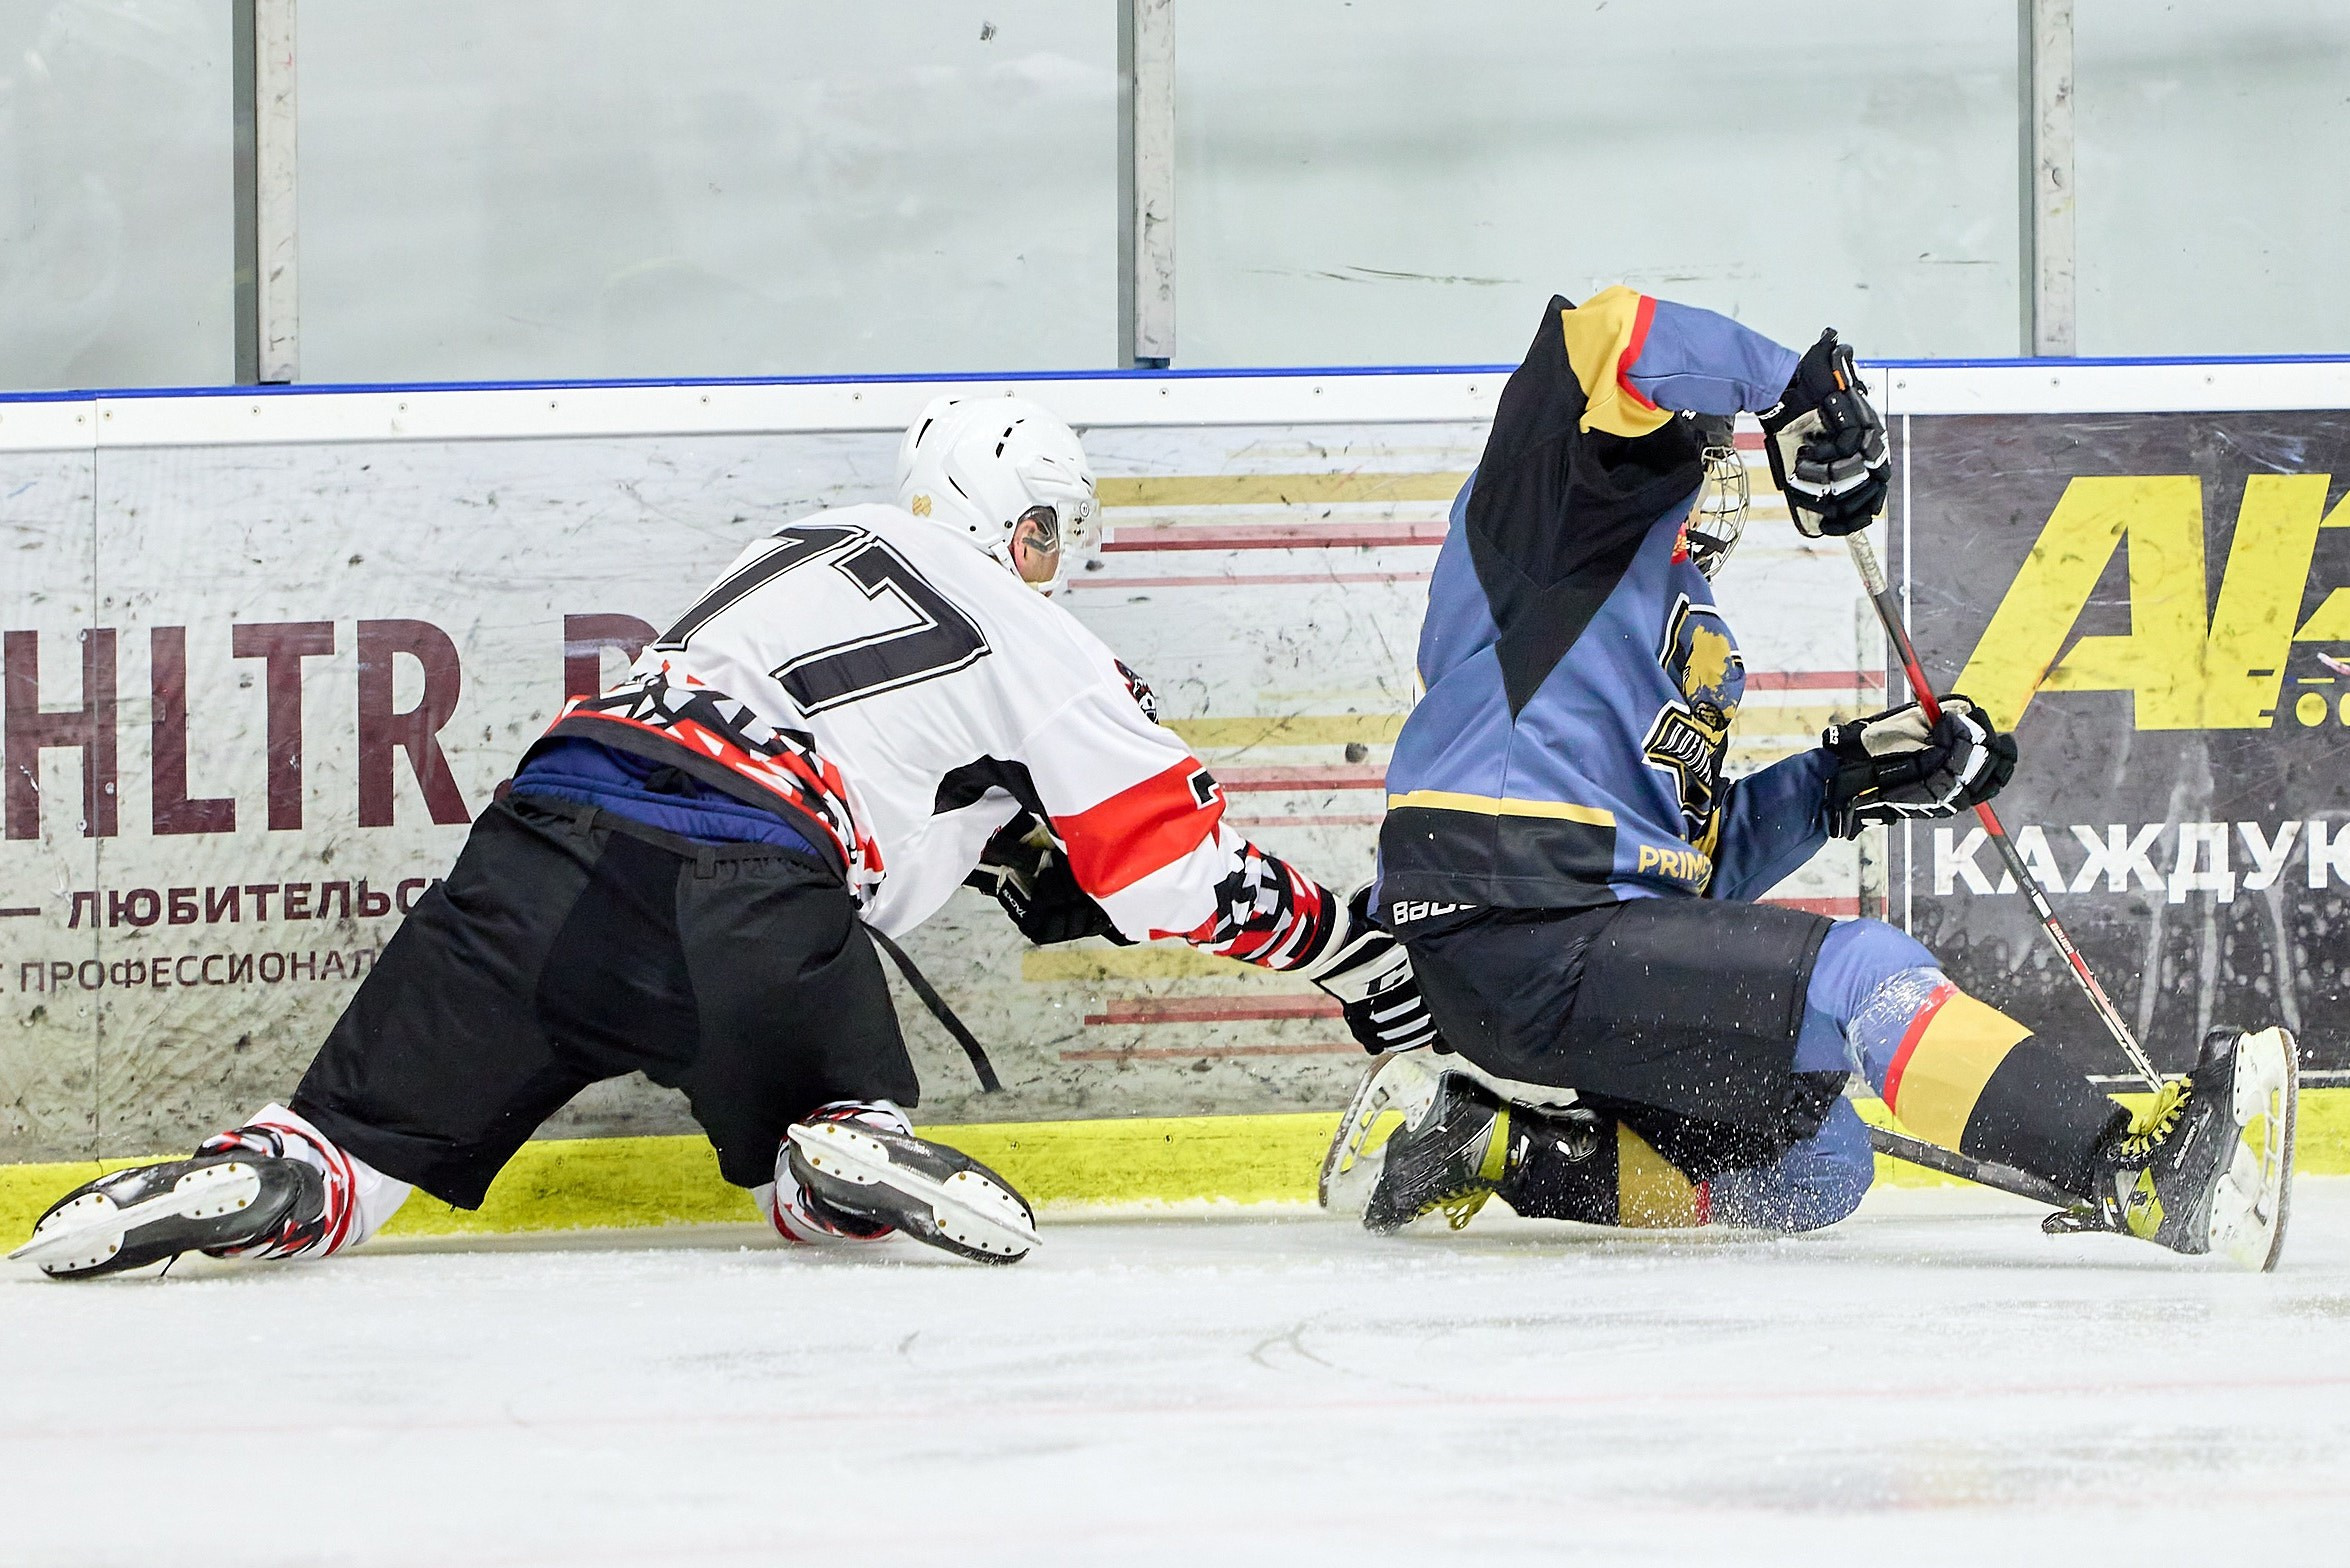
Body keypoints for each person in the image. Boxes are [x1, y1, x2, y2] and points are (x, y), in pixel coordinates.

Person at [16, 396, 1438, 1278]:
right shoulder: (1045, 643)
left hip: (542, 835)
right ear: (1020, 530)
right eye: (1053, 535)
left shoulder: (798, 540)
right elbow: (1165, 873)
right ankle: (837, 1155)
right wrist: (1347, 952)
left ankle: (265, 1174)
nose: (1060, 564)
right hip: (751, 886)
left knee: (354, 1151)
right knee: (832, 1129)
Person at [1320, 287, 2297, 1270]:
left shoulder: (1680, 621)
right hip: (1509, 920)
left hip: (1566, 953)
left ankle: (1497, 1145)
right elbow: (1607, 330)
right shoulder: (1539, 521)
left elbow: (1687, 876)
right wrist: (1794, 389)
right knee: (1859, 970)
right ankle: (2125, 1169)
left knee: (1818, 1164)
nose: (1703, 485)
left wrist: (1848, 780)